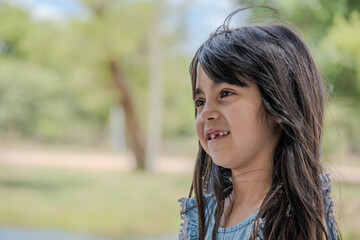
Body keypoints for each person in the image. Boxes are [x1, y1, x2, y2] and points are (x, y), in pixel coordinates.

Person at [178, 6, 339, 240]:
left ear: (278, 105)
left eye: (225, 93)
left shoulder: (298, 222)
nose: (205, 114)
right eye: (200, 101)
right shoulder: (204, 215)